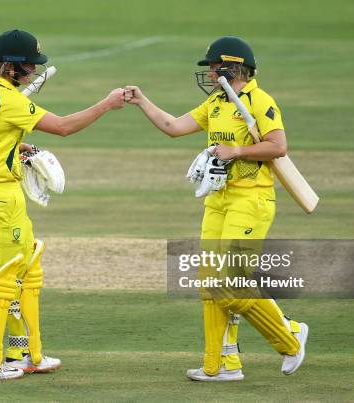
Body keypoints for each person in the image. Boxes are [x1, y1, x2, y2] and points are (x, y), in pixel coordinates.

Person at [124, 36, 308, 381]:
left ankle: (289, 335)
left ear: (231, 67)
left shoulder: (259, 100)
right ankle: (221, 365)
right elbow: (174, 127)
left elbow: (278, 146)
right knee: (210, 283)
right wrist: (142, 102)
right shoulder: (219, 101)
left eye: (212, 66)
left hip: (251, 200)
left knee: (231, 285)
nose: (208, 73)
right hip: (219, 199)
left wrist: (235, 150)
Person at [0, 29, 125, 381]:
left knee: (22, 270)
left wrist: (13, 147)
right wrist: (107, 104)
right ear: (10, 67)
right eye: (29, 67)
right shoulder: (12, 101)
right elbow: (63, 127)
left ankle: (20, 353)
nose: (34, 72)